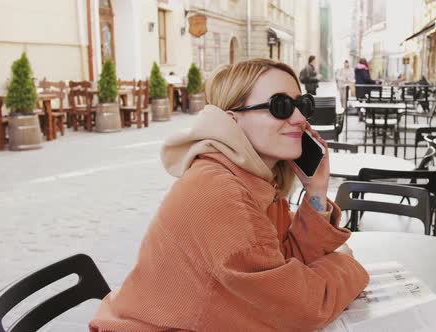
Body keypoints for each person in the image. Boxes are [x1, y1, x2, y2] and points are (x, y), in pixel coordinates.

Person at [89, 58, 369, 331]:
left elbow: (284, 259)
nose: (299, 118)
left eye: (302, 104)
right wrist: (345, 264)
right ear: (232, 120)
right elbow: (301, 310)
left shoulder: (252, 181)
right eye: (281, 106)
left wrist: (316, 190)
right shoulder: (222, 194)